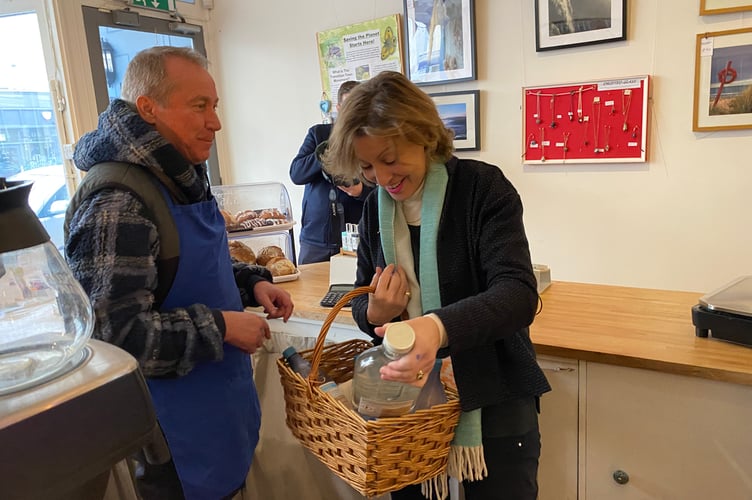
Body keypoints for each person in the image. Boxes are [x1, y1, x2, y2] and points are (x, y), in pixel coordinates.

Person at [65, 46, 294, 500]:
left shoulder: (176, 177)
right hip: (171, 442)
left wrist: (250, 281)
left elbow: (187, 261)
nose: (216, 122)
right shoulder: (118, 201)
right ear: (148, 108)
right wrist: (224, 326)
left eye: (215, 106)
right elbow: (116, 337)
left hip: (215, 418)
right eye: (199, 106)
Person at [321, 71, 551, 500]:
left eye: (390, 158)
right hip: (408, 409)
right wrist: (376, 314)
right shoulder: (376, 210)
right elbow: (362, 306)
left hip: (493, 396)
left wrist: (436, 327)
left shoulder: (482, 189)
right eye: (367, 166)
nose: (382, 177)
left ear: (424, 134)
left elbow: (518, 295)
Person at [290, 80, 373, 264]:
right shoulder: (318, 133)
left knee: (355, 291)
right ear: (339, 107)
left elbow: (383, 189)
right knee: (310, 292)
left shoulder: (372, 139)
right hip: (316, 239)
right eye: (349, 106)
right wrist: (326, 151)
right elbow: (296, 173)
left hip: (356, 240)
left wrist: (361, 191)